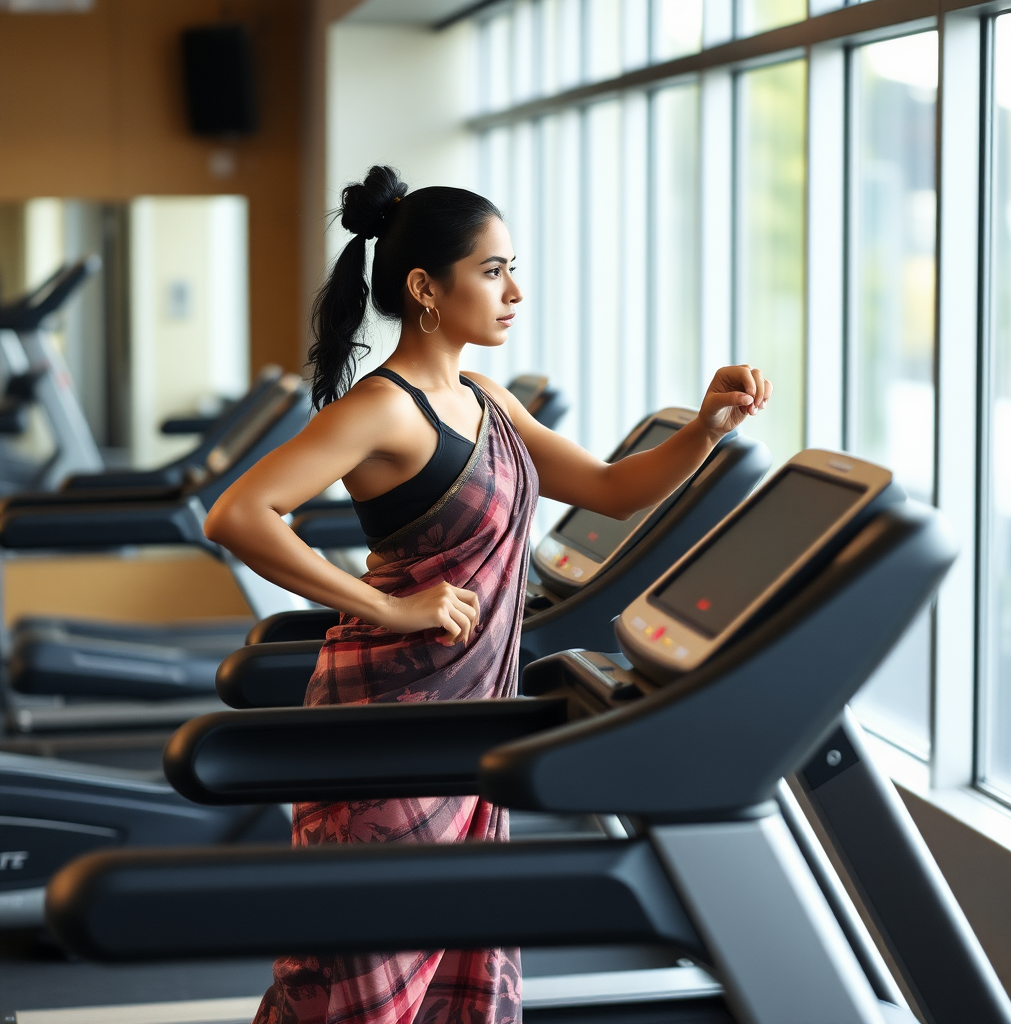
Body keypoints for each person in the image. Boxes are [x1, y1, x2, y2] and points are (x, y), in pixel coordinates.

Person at [204, 164, 772, 1024]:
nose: (515, 291)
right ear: (427, 288)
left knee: (451, 975)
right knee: (357, 980)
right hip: (386, 717)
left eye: (513, 268)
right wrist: (388, 608)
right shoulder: (385, 410)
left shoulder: (485, 398)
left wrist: (704, 429)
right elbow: (239, 514)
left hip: (465, 717)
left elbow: (612, 489)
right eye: (493, 270)